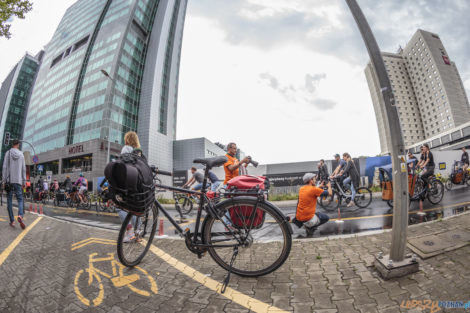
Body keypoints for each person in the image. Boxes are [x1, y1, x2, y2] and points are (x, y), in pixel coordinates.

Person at [117, 131, 142, 242]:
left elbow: (122, 165)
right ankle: (137, 232)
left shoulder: (126, 148)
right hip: (137, 183)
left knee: (119, 206)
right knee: (135, 207)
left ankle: (130, 231)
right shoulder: (139, 152)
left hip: (127, 181)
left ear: (127, 139)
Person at [2, 140, 26, 229]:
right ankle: (20, 215)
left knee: (9, 201)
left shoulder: (8, 153)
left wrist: (4, 181)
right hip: (18, 181)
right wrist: (24, 181)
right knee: (20, 199)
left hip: (9, 181)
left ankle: (12, 221)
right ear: (18, 145)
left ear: (12, 145)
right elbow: (24, 169)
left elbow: (4, 167)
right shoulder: (21, 154)